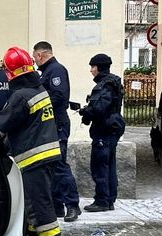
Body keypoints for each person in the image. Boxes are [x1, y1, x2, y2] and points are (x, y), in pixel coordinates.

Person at [0, 46, 63, 236]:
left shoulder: (20, 97)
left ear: (10, 73)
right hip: (47, 156)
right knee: (33, 204)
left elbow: (1, 125)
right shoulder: (39, 90)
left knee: (40, 204)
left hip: (34, 158)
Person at [33, 41, 81, 222]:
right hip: (50, 124)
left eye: (34, 57)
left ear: (40, 55)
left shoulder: (56, 70)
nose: (34, 61)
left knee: (59, 165)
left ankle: (72, 205)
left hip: (57, 124)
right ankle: (57, 206)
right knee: (52, 166)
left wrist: (38, 107)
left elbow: (59, 97)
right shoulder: (47, 72)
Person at [79, 54, 125, 212]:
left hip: (104, 129)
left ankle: (102, 200)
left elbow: (99, 108)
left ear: (99, 67)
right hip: (112, 128)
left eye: (92, 67)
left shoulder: (104, 85)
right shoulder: (114, 82)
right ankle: (109, 199)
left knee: (100, 165)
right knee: (109, 164)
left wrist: (86, 112)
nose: (91, 70)